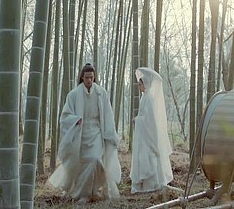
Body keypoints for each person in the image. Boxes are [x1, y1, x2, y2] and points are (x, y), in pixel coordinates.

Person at [49, 63, 121, 204]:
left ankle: (92, 191)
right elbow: (65, 116)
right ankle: (83, 193)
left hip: (96, 133)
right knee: (81, 163)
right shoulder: (73, 94)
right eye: (87, 77)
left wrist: (110, 134)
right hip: (80, 133)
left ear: (94, 77)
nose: (89, 80)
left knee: (95, 160)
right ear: (82, 77)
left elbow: (108, 115)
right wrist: (76, 120)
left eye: (91, 77)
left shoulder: (101, 93)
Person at [130, 67, 174, 194]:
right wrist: (139, 119)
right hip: (143, 135)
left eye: (140, 85)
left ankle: (151, 183)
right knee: (143, 157)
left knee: (148, 157)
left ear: (146, 84)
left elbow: (149, 120)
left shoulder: (149, 98)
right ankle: (145, 183)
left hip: (147, 135)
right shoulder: (145, 97)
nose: (139, 87)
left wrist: (138, 120)